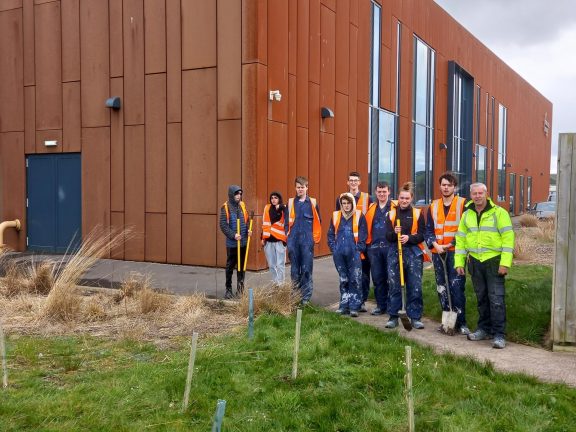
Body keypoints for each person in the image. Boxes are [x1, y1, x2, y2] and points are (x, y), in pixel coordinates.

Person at [455, 182, 515, 349]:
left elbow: (508, 239)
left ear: (486, 194)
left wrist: (505, 263)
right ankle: (483, 329)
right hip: (475, 261)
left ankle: (499, 335)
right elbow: (460, 240)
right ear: (471, 195)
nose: (477, 196)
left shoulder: (499, 213)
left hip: (494, 261)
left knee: (496, 299)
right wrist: (459, 262)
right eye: (474, 193)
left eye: (480, 193)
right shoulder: (467, 215)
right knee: (481, 298)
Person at [425, 172, 469, 335]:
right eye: (443, 184)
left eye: (449, 185)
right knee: (442, 287)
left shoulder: (463, 204)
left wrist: (451, 244)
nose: (446, 187)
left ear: (454, 187)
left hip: (455, 252)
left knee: (457, 286)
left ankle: (461, 322)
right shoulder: (433, 205)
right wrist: (435, 245)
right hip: (438, 252)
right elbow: (428, 229)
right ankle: (446, 323)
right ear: (439, 186)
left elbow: (466, 229)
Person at [385, 182, 427, 329]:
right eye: (402, 198)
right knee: (394, 285)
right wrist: (394, 233)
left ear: (411, 198)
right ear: (398, 197)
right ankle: (393, 316)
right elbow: (387, 236)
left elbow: (422, 235)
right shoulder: (391, 214)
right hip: (394, 252)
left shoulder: (417, 213)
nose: (404, 201)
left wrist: (409, 238)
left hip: (413, 252)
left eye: (407, 198)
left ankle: (415, 316)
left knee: (415, 285)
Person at [335, 171, 373, 312]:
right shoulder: (341, 198)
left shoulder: (368, 198)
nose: (353, 183)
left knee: (362, 275)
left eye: (355, 180)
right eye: (351, 180)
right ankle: (348, 303)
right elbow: (337, 223)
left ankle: (360, 302)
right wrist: (336, 247)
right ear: (347, 182)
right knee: (347, 277)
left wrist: (361, 246)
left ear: (360, 182)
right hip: (345, 245)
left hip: (362, 243)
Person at [328, 193, 368, 317]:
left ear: (352, 203)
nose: (346, 206)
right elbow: (330, 234)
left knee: (355, 279)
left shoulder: (359, 215)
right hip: (339, 254)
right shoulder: (336, 216)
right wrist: (334, 248)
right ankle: (344, 305)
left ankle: (354, 307)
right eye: (344, 203)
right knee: (343, 279)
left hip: (354, 253)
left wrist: (358, 249)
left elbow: (363, 234)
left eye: (348, 203)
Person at [285, 176, 322, 304]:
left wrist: (313, 239)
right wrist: (288, 240)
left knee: (306, 269)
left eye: (303, 187)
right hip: (293, 242)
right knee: (294, 270)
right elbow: (286, 223)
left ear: (307, 187)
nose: (300, 189)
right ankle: (295, 296)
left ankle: (305, 298)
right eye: (298, 187)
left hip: (307, 242)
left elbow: (318, 221)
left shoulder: (313, 203)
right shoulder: (290, 203)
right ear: (295, 188)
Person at [364, 181, 392, 316]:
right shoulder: (371, 208)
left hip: (390, 247)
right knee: (378, 278)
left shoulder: (395, 207)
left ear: (389, 192)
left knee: (392, 278)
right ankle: (381, 306)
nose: (382, 194)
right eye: (379, 192)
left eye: (384, 191)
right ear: (376, 192)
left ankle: (392, 305)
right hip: (374, 249)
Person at [219, 185, 252, 299]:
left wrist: (248, 230)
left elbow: (246, 220)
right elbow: (223, 225)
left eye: (240, 194)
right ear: (231, 195)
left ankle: (240, 289)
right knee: (230, 267)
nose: (238, 196)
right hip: (232, 244)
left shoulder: (242, 206)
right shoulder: (226, 207)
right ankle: (228, 289)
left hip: (243, 242)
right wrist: (233, 235)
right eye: (236, 194)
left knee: (242, 267)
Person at [261, 191, 287, 285]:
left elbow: (289, 219)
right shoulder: (267, 208)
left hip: (280, 241)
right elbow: (264, 224)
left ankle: (281, 285)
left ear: (279, 199)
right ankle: (275, 283)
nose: (273, 200)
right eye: (272, 198)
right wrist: (262, 238)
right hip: (268, 241)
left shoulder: (284, 208)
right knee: (271, 265)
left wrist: (282, 208)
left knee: (280, 265)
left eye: (276, 198)